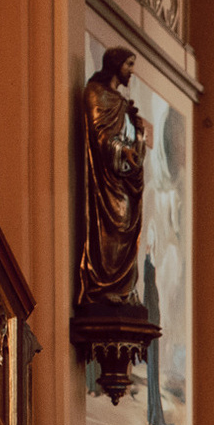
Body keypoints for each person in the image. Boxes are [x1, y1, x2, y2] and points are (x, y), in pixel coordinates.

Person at [78, 48, 150, 305]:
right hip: (106, 182)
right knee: (114, 227)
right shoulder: (96, 95)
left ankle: (123, 289)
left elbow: (132, 152)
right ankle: (104, 288)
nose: (131, 70)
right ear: (116, 64)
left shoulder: (119, 102)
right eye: (129, 64)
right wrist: (124, 152)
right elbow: (102, 141)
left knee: (126, 230)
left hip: (122, 179)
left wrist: (139, 135)